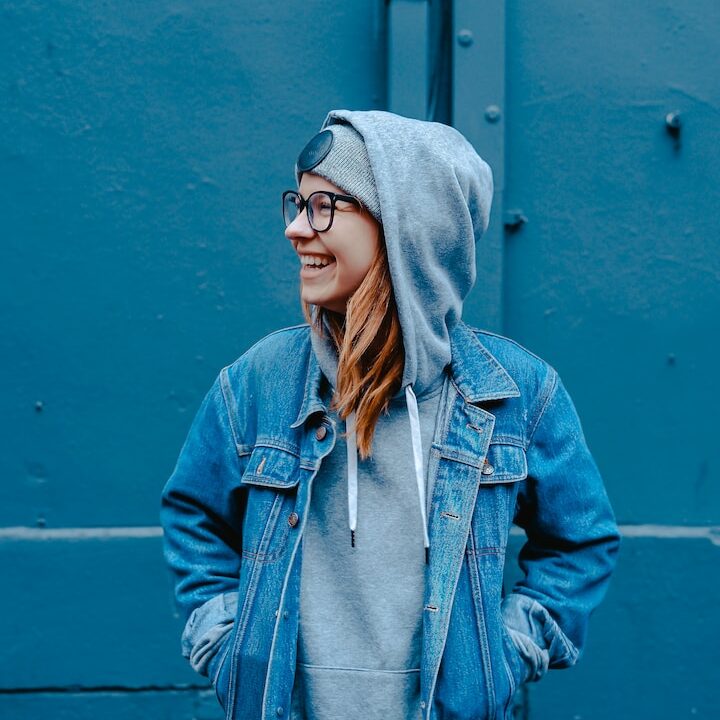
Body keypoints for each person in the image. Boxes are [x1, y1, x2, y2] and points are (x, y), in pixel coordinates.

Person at [160, 109, 620, 720]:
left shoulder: (516, 395)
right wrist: (228, 647)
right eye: (297, 203)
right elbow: (194, 519)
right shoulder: (258, 383)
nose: (297, 228)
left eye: (325, 206)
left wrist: (500, 657)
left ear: (406, 228)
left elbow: (580, 543)